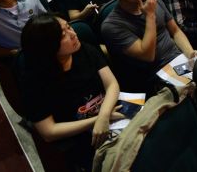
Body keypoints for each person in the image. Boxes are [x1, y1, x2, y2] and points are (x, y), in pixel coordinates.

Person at [20, 14, 123, 170]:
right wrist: (97, 121)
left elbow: (112, 85)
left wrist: (104, 115)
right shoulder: (34, 80)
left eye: (69, 27)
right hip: (78, 137)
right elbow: (49, 131)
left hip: (110, 114)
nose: (73, 34)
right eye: (63, 35)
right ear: (48, 45)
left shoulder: (85, 50)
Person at [101, 0, 197, 92]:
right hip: (154, 77)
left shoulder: (152, 0)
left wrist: (190, 54)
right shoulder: (112, 26)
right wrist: (150, 16)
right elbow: (147, 55)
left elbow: (175, 31)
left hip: (178, 61)